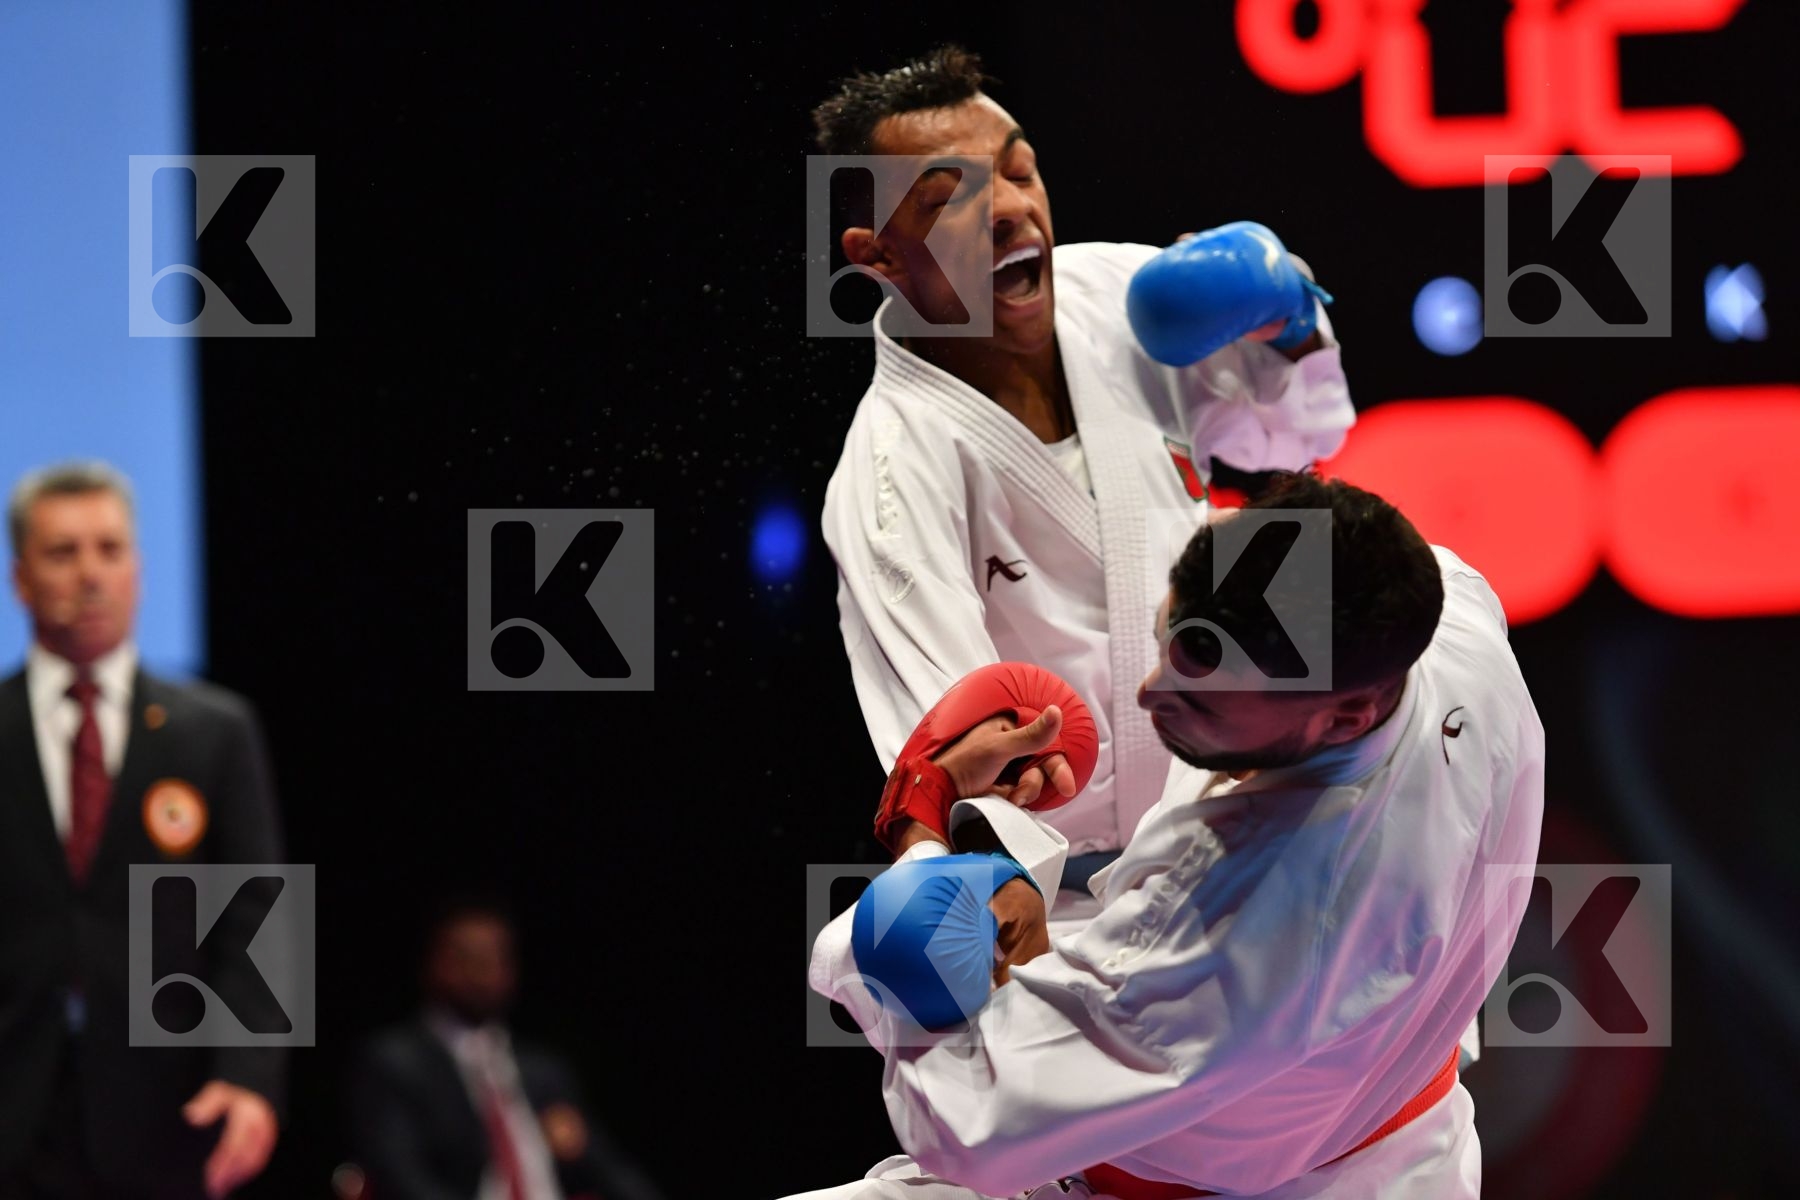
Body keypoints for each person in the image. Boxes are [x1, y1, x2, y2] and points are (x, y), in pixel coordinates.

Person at [790, 474, 1545, 1199]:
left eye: (1205, 705)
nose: (1151, 695)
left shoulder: (1240, 915)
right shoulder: (1447, 614)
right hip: (1381, 1117)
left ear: (1345, 716)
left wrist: (923, 825)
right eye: (1169, 642)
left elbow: (963, 1125)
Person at [812, 46, 1357, 926]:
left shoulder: (1121, 295)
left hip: (1253, 830)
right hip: (1071, 906)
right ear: (878, 255)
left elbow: (1300, 437)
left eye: (1019, 170)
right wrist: (999, 894)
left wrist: (1292, 321)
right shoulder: (891, 474)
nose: (1011, 210)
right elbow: (951, 752)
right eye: (952, 199)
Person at [0, 461, 285, 1199]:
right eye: (63, 553)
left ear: (140, 571)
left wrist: (249, 1076)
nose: (90, 574)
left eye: (110, 549)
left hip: (170, 1106)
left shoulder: (214, 732)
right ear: (20, 578)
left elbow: (256, 916)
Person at [349, 901, 665, 1200]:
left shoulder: (542, 1071)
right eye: (468, 957)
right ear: (434, 963)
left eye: (497, 957)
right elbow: (401, 1177)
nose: (483, 971)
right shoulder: (395, 1063)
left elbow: (605, 1166)